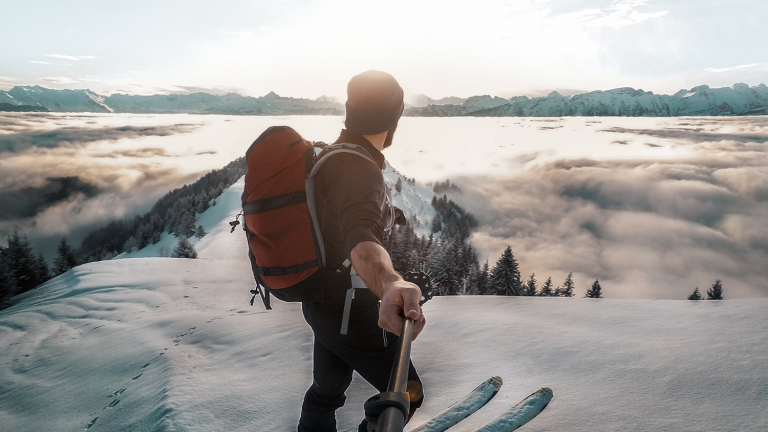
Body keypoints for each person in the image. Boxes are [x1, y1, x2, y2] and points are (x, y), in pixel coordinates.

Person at [298, 70, 427, 432]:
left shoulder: (330, 156)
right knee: (405, 394)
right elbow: (358, 234)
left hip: (322, 304)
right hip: (350, 310)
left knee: (328, 388)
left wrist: (386, 215)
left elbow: (343, 220)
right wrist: (388, 282)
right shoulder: (359, 168)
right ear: (393, 119)